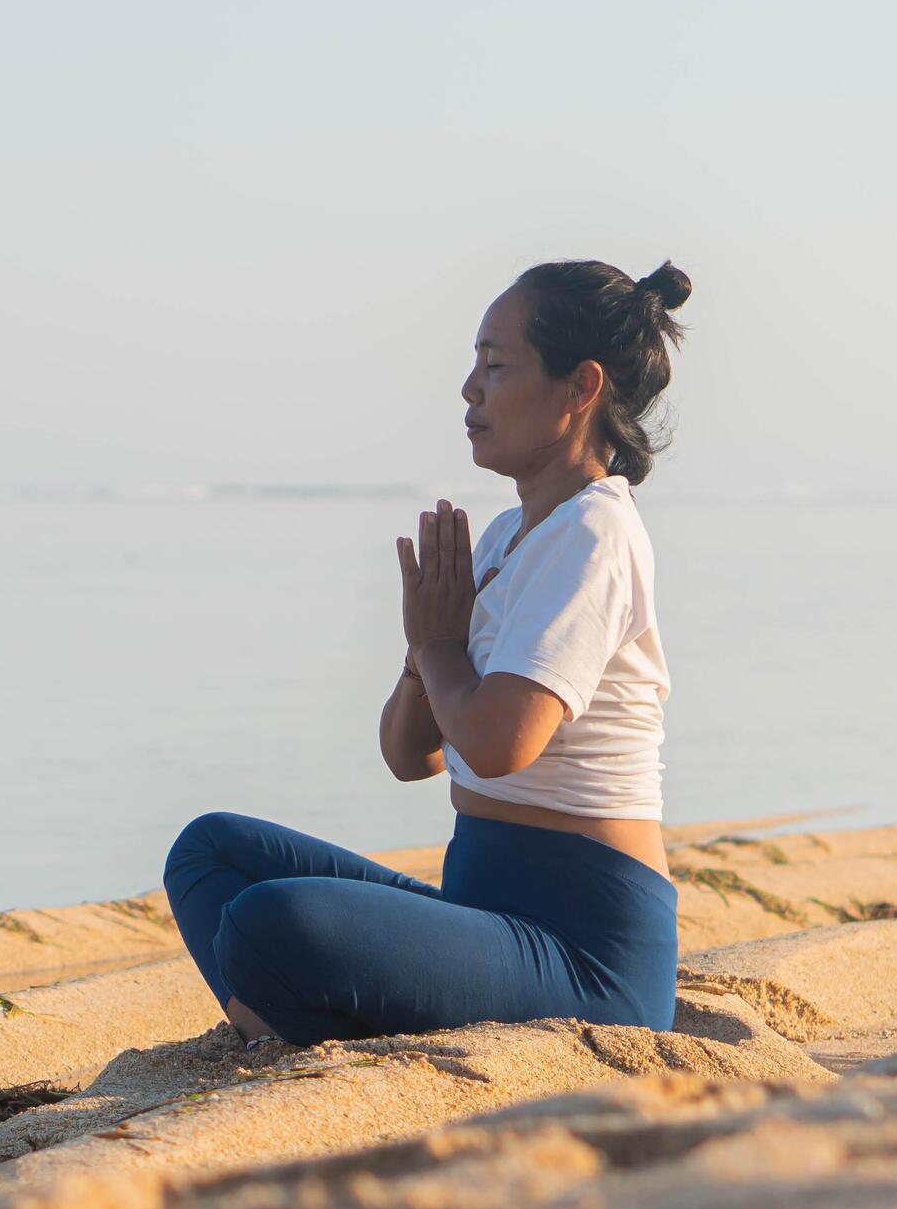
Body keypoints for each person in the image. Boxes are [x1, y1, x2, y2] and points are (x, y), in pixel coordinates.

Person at [162, 258, 691, 1045]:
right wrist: (423, 653)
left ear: (581, 388)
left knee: (269, 923)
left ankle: (282, 1022)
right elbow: (412, 756)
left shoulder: (595, 534)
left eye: (496, 366)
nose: (470, 390)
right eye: (474, 365)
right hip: (487, 914)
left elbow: (498, 743)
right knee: (210, 852)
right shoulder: (511, 536)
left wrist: (440, 643)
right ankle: (285, 1017)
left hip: (588, 956)